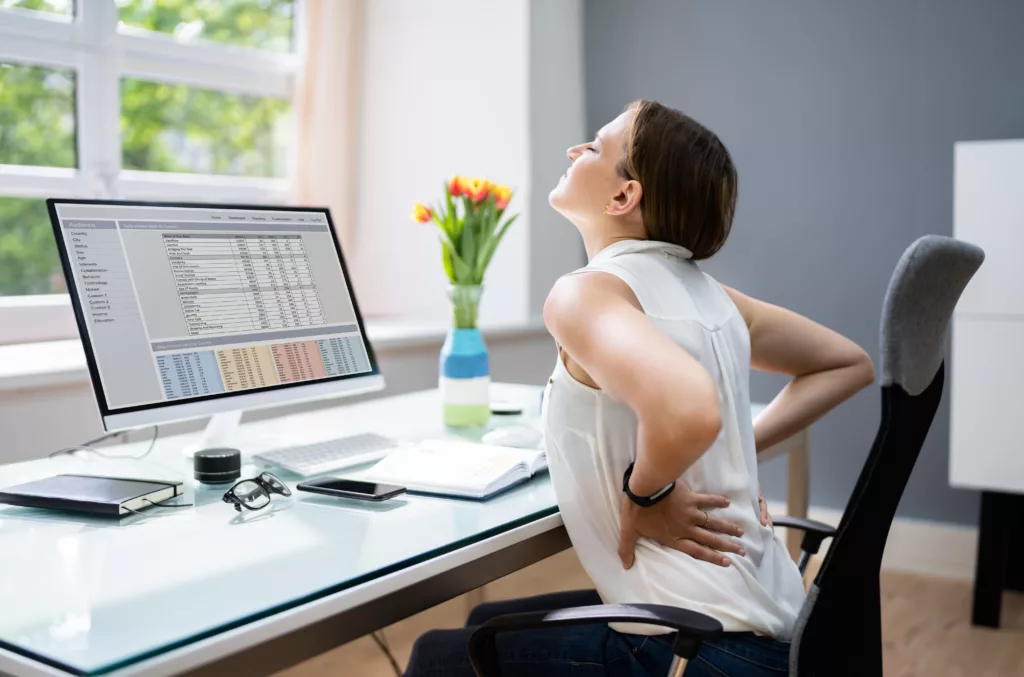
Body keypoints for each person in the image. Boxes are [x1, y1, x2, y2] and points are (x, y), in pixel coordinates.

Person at [404, 100, 875, 676]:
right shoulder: (716, 297)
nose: (576, 150)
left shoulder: (585, 292)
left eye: (596, 147)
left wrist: (645, 494)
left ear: (623, 197)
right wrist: (735, 450)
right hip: (787, 639)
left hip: (698, 652)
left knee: (435, 656)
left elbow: (688, 409)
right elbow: (848, 364)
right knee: (482, 626)